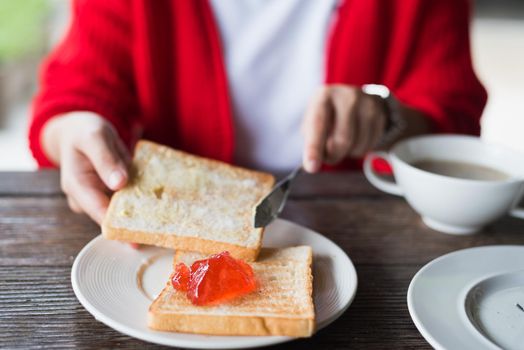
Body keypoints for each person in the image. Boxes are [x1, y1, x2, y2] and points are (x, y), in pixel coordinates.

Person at [29, 0, 487, 224]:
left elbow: (455, 115)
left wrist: (387, 118)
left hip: (360, 233)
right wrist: (73, 130)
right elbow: (75, 92)